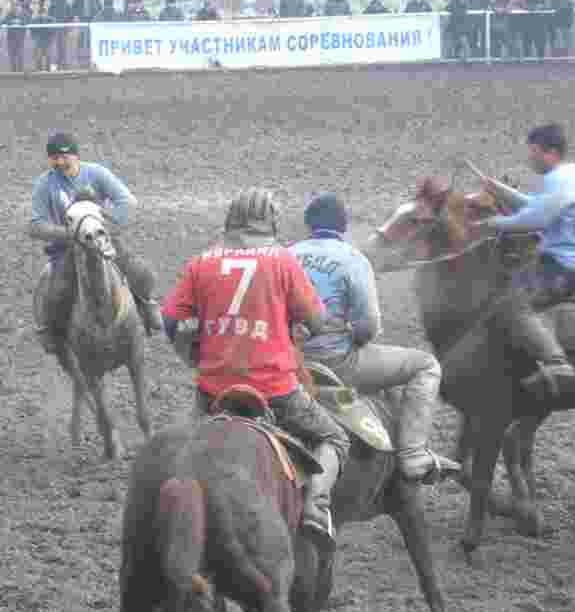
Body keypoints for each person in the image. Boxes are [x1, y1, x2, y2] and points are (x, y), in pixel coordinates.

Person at [161, 187, 350, 543]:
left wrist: (191, 354)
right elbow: (317, 319)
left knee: (179, 455)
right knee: (334, 437)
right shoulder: (281, 260)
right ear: (270, 222)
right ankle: (315, 506)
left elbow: (169, 321)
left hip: (214, 392)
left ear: (231, 221)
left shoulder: (202, 262)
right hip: (276, 391)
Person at [291, 193, 460, 482]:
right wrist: (354, 336)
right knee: (426, 366)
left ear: (308, 224)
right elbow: (369, 326)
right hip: (337, 362)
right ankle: (413, 453)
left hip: (287, 360)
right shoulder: (353, 259)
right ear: (343, 226)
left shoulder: (285, 254)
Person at [479, 124, 575, 401]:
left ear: (551, 152)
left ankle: (556, 362)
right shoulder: (570, 174)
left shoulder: (559, 180)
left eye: (534, 152)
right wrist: (499, 189)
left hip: (567, 266)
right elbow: (536, 204)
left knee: (513, 302)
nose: (530, 158)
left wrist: (494, 224)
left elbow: (535, 219)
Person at [29, 132, 163, 353]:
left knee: (140, 272)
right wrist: (69, 234)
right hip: (66, 248)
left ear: (76, 156)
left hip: (102, 241)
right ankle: (49, 331)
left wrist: (106, 228)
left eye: (64, 157)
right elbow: (35, 225)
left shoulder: (97, 173)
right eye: (54, 158)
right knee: (51, 288)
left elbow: (126, 201)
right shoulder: (45, 184)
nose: (60, 162)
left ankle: (148, 307)